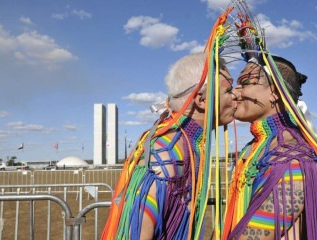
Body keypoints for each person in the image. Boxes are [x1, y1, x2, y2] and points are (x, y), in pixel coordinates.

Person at [101, 52, 237, 239]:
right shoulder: (165, 154)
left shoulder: (185, 145)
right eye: (229, 90)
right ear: (202, 100)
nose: (236, 95)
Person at [222, 55, 317, 239]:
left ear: (276, 92)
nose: (236, 92)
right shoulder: (256, 147)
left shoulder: (291, 157)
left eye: (245, 83)